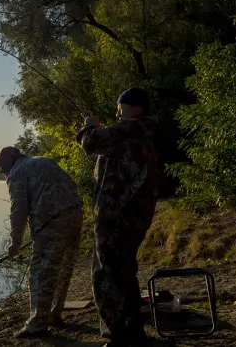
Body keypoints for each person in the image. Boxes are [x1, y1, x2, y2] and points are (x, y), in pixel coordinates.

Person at [76, 87, 160, 347]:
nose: (117, 111)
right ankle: (132, 333)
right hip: (132, 217)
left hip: (116, 218)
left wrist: (88, 126)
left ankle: (120, 337)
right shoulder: (142, 134)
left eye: (120, 106)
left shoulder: (129, 129)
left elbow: (90, 143)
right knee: (124, 273)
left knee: (106, 276)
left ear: (136, 110)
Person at [0, 146, 84, 338]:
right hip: (75, 213)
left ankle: (37, 325)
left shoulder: (17, 172)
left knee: (41, 271)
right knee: (63, 268)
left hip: (52, 220)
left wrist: (15, 243)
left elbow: (19, 210)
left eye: (1, 166)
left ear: (10, 159)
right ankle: (53, 314)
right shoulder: (42, 161)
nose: (2, 171)